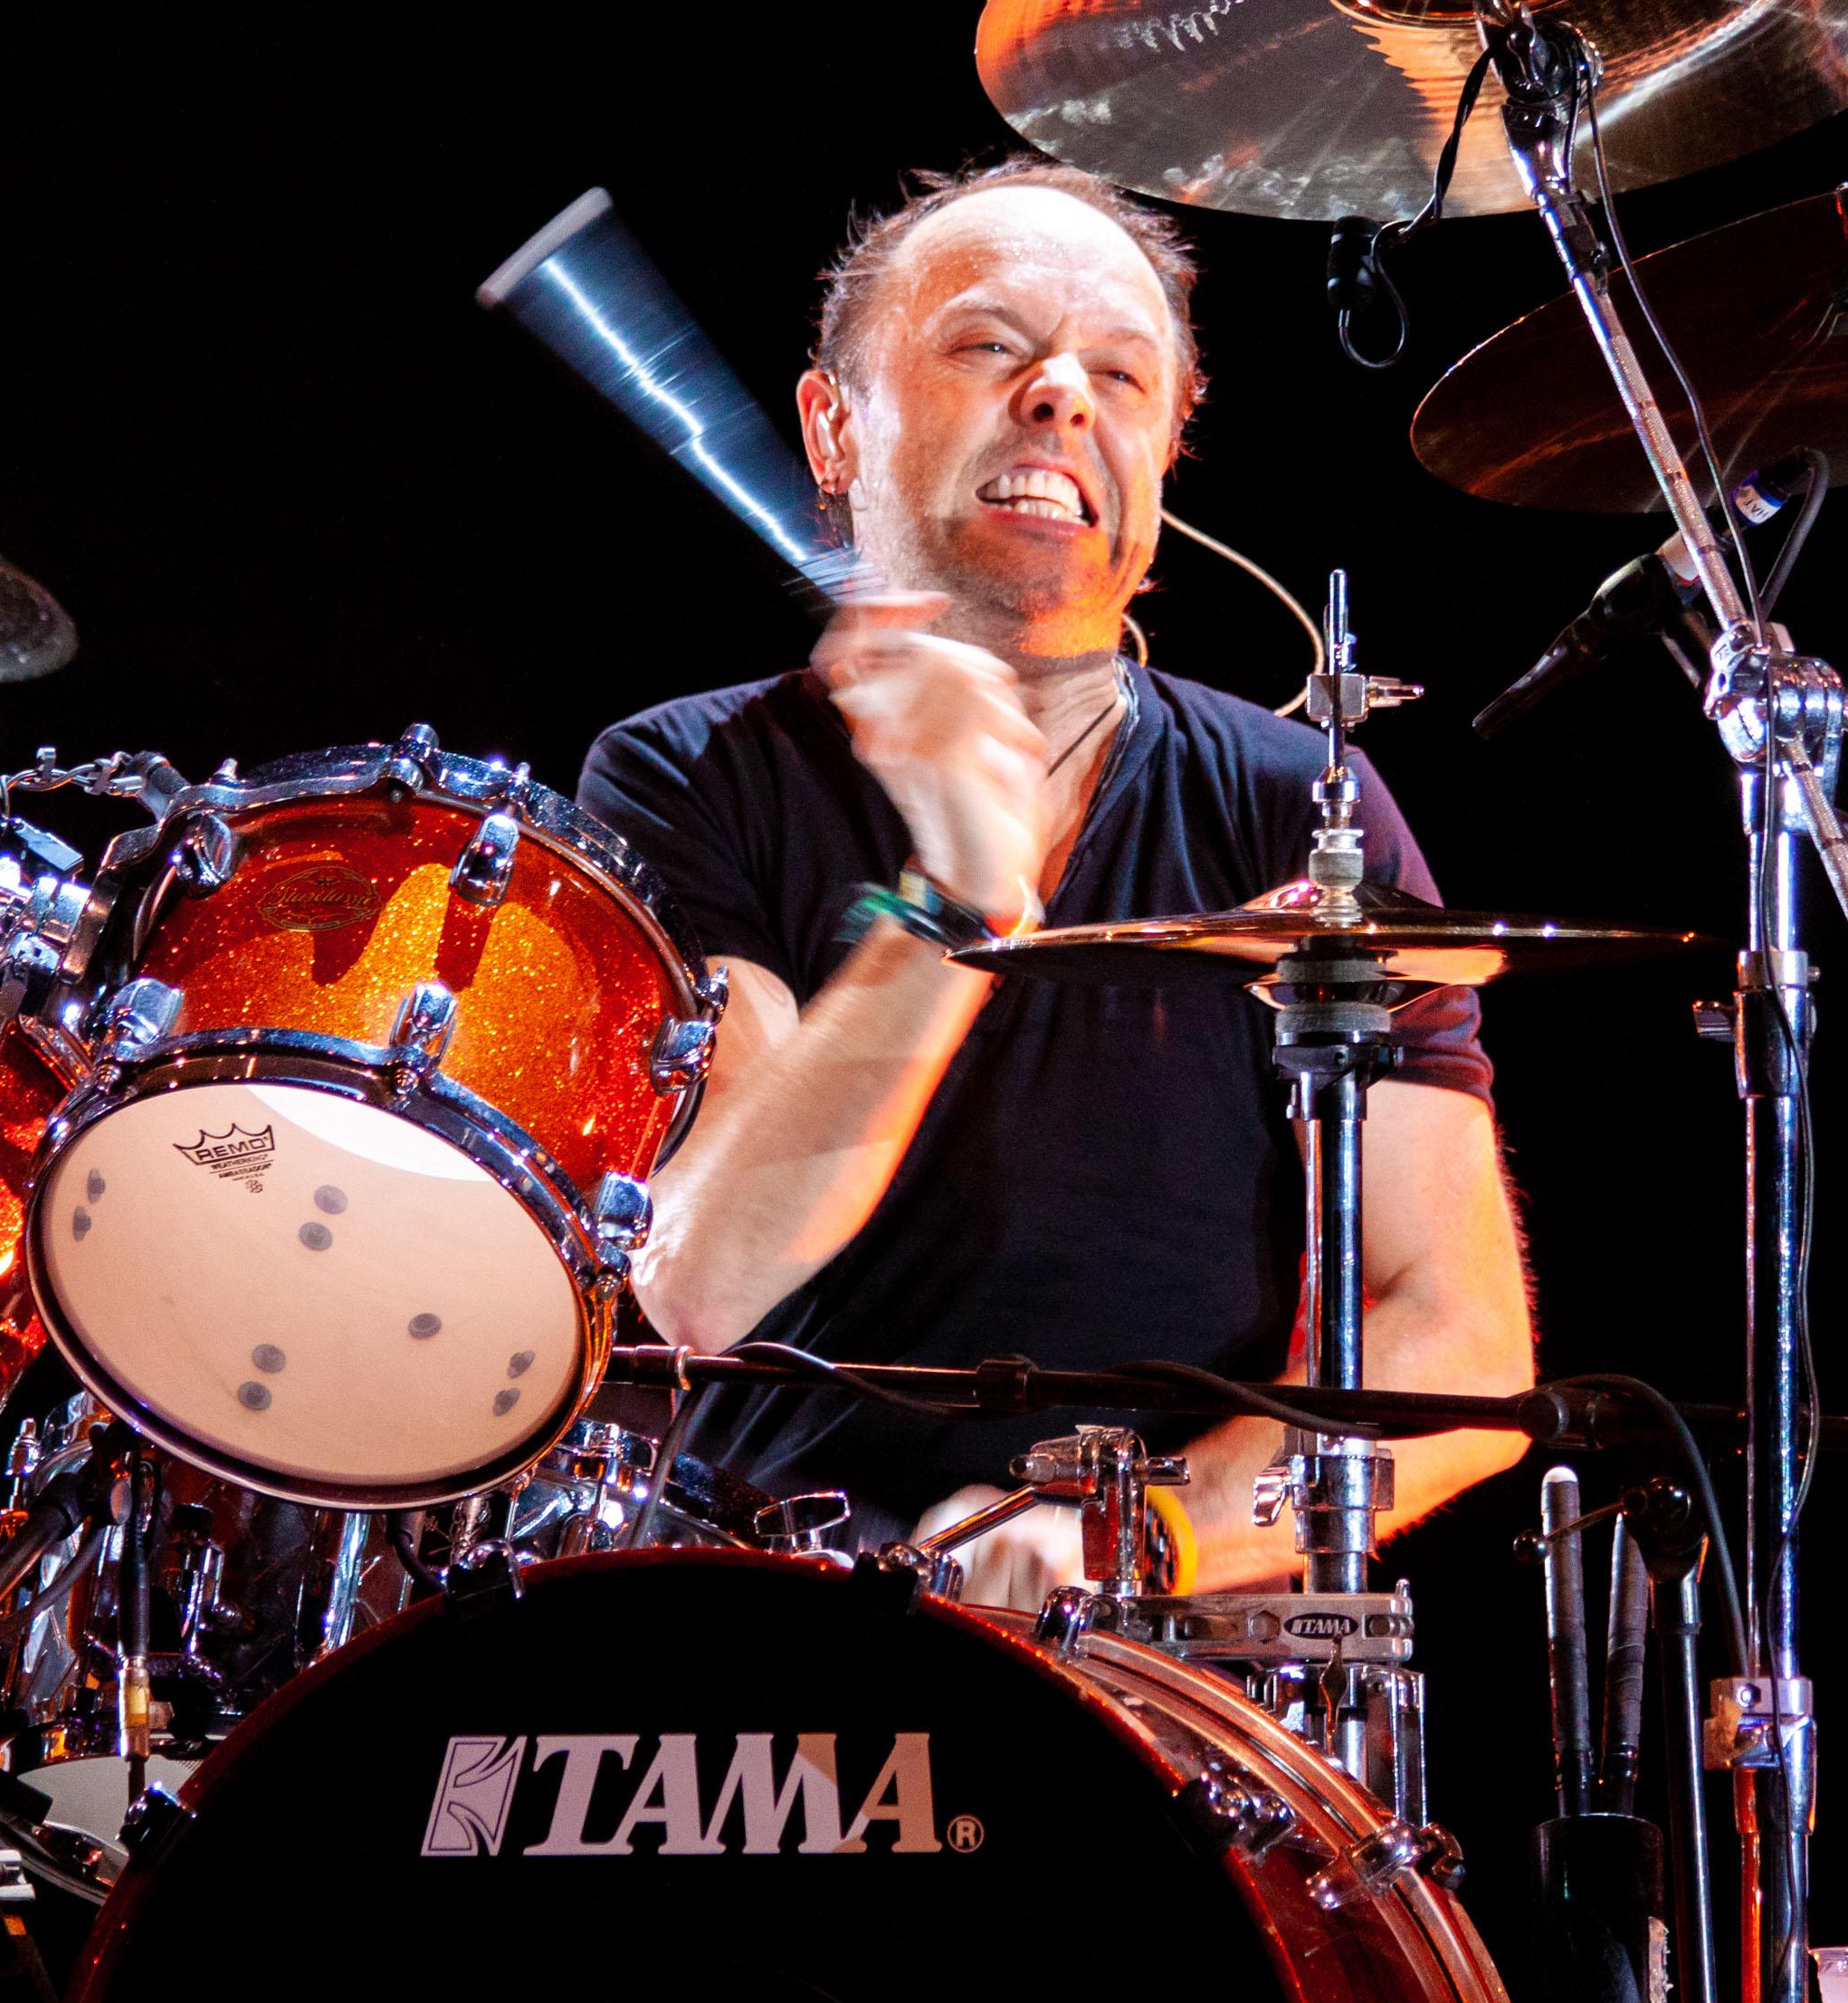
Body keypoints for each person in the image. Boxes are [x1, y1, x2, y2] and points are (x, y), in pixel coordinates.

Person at [576, 157, 1532, 1605]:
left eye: (1122, 375)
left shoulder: (1302, 809)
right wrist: (954, 905)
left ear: (1169, 452)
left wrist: (1142, 1536)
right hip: (768, 1618)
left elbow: (1459, 1341)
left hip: (1151, 1650)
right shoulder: (686, 775)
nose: (1061, 396)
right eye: (987, 345)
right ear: (832, 427)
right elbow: (702, 1279)